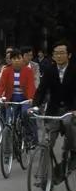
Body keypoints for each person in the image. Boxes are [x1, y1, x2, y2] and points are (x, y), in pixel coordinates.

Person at [32, 41, 76, 175]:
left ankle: (72, 152)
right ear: (53, 56)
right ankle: (42, 176)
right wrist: (35, 106)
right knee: (47, 143)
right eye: (56, 53)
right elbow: (41, 90)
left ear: (69, 55)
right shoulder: (49, 70)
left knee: (69, 125)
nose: (59, 56)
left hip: (70, 109)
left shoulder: (74, 70)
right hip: (54, 110)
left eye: (62, 53)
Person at [0, 49, 37, 144]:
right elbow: (1, 86)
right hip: (11, 99)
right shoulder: (6, 71)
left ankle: (29, 135)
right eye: (14, 58)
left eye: (19, 58)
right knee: (9, 119)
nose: (16, 60)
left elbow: (31, 86)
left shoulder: (28, 71)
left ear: (22, 59)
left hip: (25, 99)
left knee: (25, 113)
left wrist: (31, 98)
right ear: (11, 60)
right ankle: (9, 137)